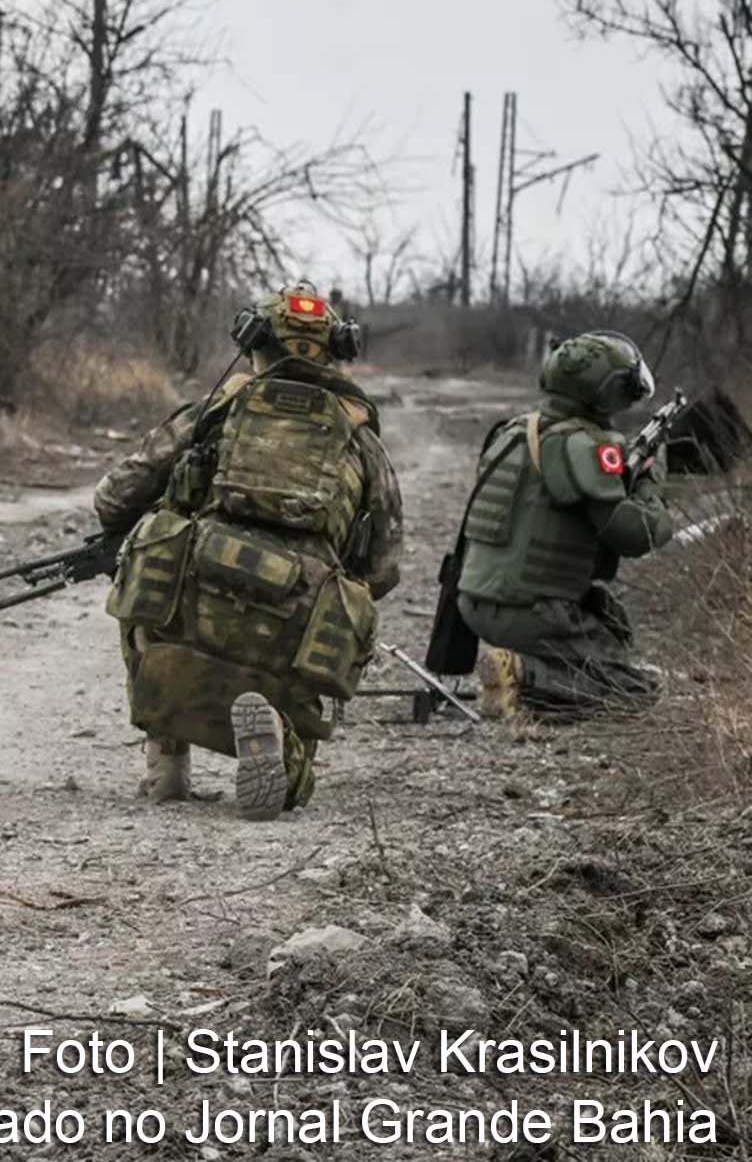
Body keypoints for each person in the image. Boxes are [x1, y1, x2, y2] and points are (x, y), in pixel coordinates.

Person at [94, 285, 403, 820]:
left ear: (254, 341)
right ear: (336, 350)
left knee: (145, 566)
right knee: (325, 643)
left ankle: (166, 760)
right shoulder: (360, 437)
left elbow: (116, 493)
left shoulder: (219, 407)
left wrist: (137, 529)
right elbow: (383, 566)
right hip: (298, 624)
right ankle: (281, 741)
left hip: (197, 596)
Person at [452, 331, 672, 719]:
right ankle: (525, 674)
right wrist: (649, 485)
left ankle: (521, 676)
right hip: (529, 612)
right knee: (636, 691)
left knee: (612, 638)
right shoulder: (585, 446)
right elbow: (636, 536)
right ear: (607, 390)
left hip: (473, 601)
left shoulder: (514, 431)